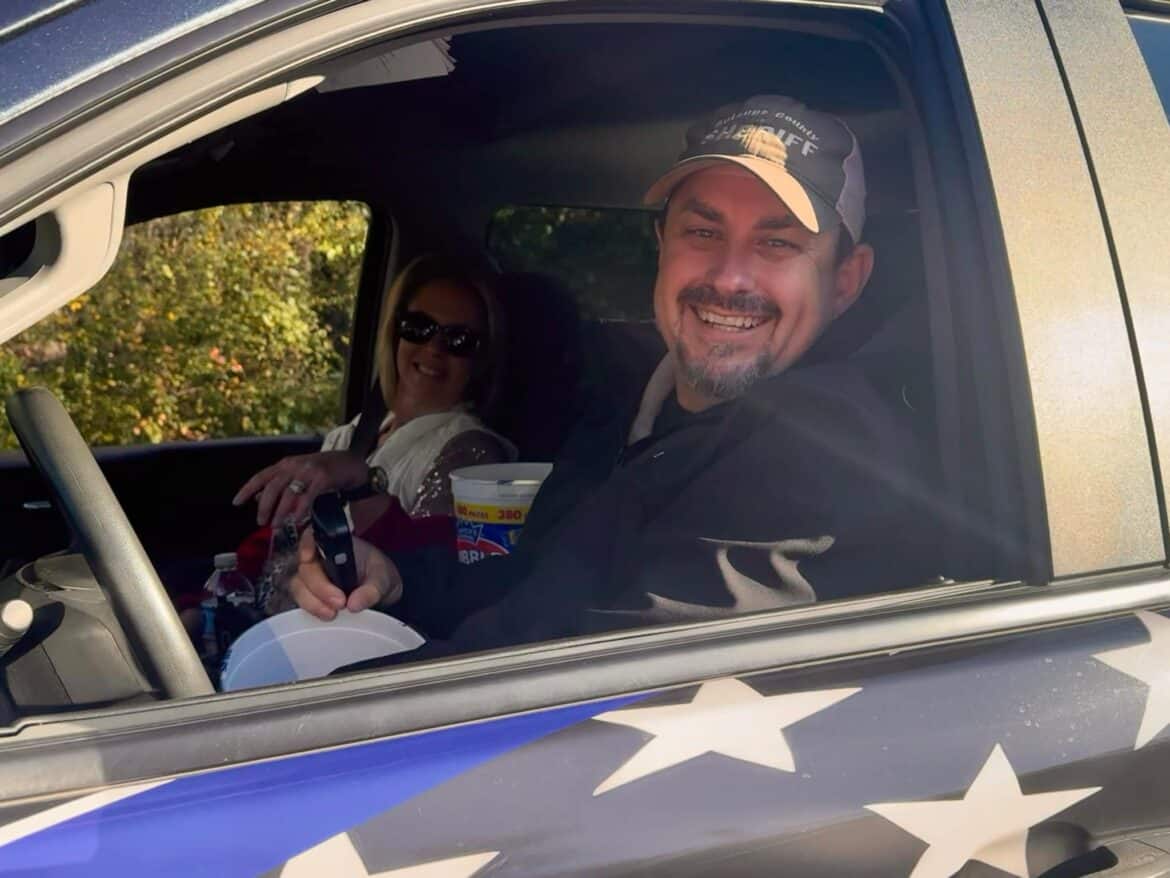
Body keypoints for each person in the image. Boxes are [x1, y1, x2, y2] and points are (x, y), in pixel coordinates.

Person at [290, 94, 950, 658]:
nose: (729, 278)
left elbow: (591, 686)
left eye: (777, 242)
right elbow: (535, 574)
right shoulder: (626, 412)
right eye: (703, 231)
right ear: (662, 246)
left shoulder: (825, 455)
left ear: (846, 281)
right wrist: (398, 577)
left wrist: (310, 711)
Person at [227, 254, 515, 614]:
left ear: (482, 359)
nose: (434, 349)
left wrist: (363, 487)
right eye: (419, 327)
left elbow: (445, 582)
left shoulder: (476, 453)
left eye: (459, 340)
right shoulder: (355, 433)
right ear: (395, 332)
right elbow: (280, 541)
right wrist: (206, 603)